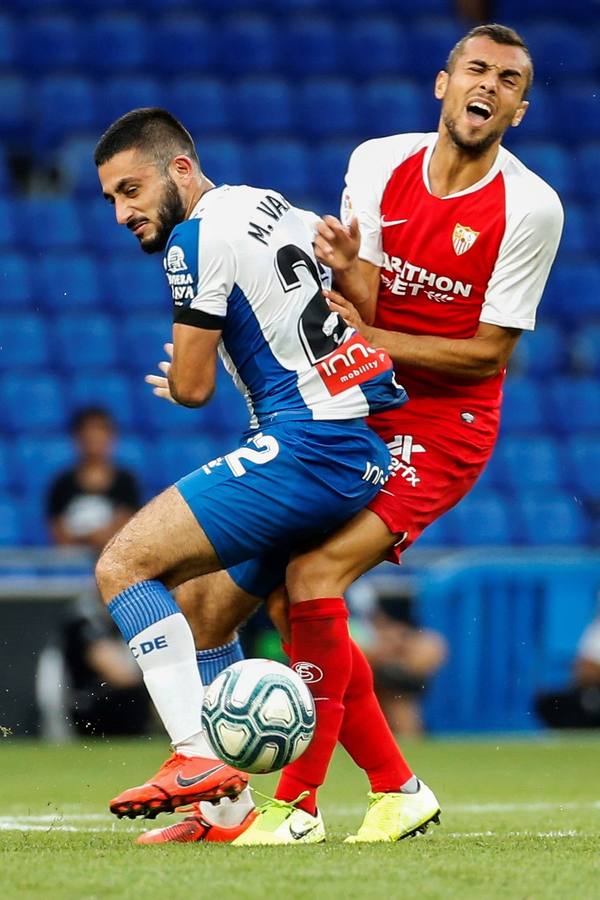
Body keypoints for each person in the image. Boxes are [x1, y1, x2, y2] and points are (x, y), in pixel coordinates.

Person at [135, 22, 563, 847]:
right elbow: (357, 300)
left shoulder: (531, 207)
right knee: (273, 586)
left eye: (508, 81)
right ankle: (397, 788)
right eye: (476, 69)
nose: (489, 86)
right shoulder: (376, 162)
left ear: (519, 106)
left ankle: (295, 806)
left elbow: (488, 354)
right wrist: (345, 273)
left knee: (315, 570)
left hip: (448, 423)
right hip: (363, 404)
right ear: (444, 83)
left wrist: (375, 339)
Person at [93, 108, 415, 846]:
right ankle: (225, 815)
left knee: (124, 563)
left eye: (130, 189)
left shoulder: (194, 238)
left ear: (180, 168)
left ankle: (192, 757)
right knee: (206, 613)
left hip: (309, 444)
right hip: (351, 442)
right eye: (111, 198)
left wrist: (179, 385)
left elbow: (198, 387)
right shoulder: (273, 206)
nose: (122, 213)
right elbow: (342, 287)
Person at [47, 407, 140, 553]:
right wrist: (93, 538)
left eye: (100, 431)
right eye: (89, 433)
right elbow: (58, 534)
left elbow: (127, 528)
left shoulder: (126, 482)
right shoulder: (62, 484)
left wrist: (86, 536)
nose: (94, 439)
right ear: (78, 438)